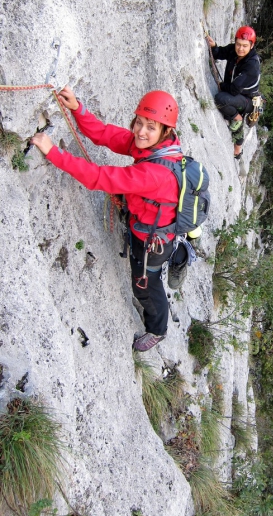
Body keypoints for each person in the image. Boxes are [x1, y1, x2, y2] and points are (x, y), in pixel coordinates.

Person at [30, 86, 188, 352]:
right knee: (146, 279)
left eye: (151, 127)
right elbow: (105, 134)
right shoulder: (156, 147)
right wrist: (77, 109)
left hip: (151, 242)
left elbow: (100, 178)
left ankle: (158, 330)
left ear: (165, 131)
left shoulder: (155, 172)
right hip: (152, 224)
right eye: (139, 122)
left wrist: (54, 153)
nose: (140, 131)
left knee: (145, 286)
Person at [205, 26, 260, 159]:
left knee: (221, 99)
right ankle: (238, 148)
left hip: (248, 100)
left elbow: (234, 89)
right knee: (226, 99)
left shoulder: (251, 65)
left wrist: (222, 85)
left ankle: (237, 118)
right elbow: (220, 53)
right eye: (238, 44)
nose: (240, 48)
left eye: (245, 46)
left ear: (251, 46)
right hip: (238, 95)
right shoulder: (234, 51)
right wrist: (214, 47)